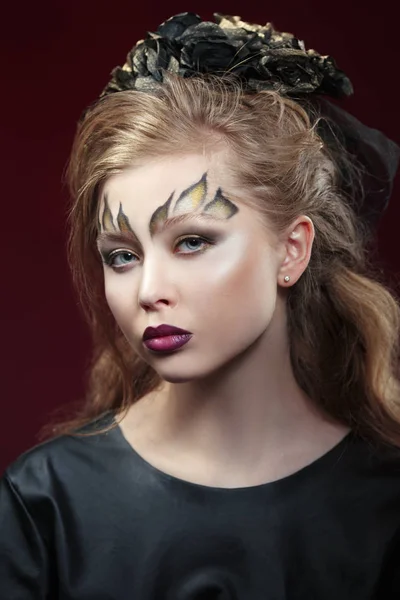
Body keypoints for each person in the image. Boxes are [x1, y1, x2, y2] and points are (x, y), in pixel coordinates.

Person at [1, 12, 400, 599]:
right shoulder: (43, 505)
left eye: (192, 241)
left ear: (292, 250)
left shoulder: (386, 506)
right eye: (121, 255)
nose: (147, 290)